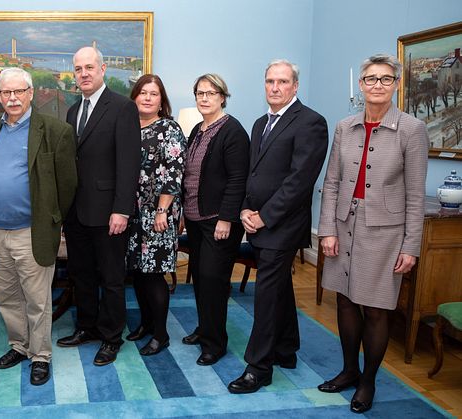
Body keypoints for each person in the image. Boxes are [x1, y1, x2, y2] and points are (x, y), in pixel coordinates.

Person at [317, 54, 428, 414]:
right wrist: (327, 229)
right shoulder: (344, 126)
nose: (376, 85)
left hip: (386, 233)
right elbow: (331, 183)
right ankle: (349, 370)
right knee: (345, 300)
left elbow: (415, 193)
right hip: (344, 227)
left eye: (384, 79)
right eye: (370, 79)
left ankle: (368, 380)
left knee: (377, 308)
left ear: (395, 85)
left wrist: (410, 246)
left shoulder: (412, 129)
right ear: (360, 85)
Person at [228, 59, 328, 394]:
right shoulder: (260, 123)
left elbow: (299, 182)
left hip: (282, 224)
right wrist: (244, 208)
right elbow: (252, 173)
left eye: (283, 82)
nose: (275, 87)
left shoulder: (311, 122)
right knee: (279, 285)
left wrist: (265, 216)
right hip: (256, 220)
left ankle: (259, 367)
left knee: (266, 295)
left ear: (295, 86)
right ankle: (287, 349)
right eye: (270, 81)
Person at [0, 67, 77, 385]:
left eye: (19, 91)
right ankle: (19, 346)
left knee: (37, 299)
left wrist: (53, 220)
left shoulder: (53, 130)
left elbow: (68, 183)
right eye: (6, 92)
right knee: (7, 296)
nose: (13, 97)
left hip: (31, 231)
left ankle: (40, 355)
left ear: (31, 93)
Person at [57, 46, 141, 366]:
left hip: (109, 213)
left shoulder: (122, 108)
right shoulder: (72, 110)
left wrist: (121, 210)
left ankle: (110, 336)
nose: (84, 74)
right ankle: (87, 327)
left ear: (103, 69)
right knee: (81, 275)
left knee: (111, 278)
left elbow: (129, 164)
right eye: (78, 69)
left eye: (89, 67)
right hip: (77, 212)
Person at [180, 74, 249, 365]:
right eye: (200, 93)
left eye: (211, 93)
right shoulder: (198, 129)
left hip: (218, 220)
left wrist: (226, 219)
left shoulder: (232, 131)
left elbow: (237, 180)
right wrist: (184, 212)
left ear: (223, 96)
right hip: (196, 218)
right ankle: (204, 328)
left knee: (214, 280)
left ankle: (215, 343)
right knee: (199, 277)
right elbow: (190, 177)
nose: (204, 98)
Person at [125, 74, 186, 356]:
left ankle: (160, 335)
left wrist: (162, 210)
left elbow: (175, 174)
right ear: (135, 96)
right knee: (137, 272)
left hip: (158, 214)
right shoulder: (127, 126)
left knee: (154, 274)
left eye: (154, 93)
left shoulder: (169, 129)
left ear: (162, 100)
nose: (148, 98)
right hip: (132, 212)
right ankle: (146, 325)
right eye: (143, 93)